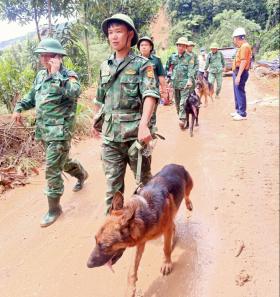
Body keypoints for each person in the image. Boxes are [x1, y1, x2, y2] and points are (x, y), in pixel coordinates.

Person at [12, 38, 88, 227]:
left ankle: (54, 208)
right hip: (44, 131)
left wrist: (56, 75)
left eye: (49, 55)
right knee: (61, 163)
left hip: (60, 131)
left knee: (52, 169)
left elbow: (74, 92)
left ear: (58, 57)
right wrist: (19, 107)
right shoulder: (40, 76)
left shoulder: (68, 76)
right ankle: (81, 173)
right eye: (42, 55)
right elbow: (33, 96)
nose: (44, 58)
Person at [91, 14, 160, 214]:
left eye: (118, 31)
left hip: (135, 137)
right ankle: (113, 229)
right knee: (113, 188)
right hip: (111, 137)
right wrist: (95, 122)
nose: (113, 36)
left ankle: (155, 220)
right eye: (110, 32)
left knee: (146, 183)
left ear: (130, 34)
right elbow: (99, 98)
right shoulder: (105, 66)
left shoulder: (142, 64)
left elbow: (150, 95)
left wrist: (144, 125)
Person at [167, 37, 192, 129]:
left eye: (183, 46)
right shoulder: (172, 57)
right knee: (177, 103)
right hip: (175, 84)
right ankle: (183, 117)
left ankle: (182, 119)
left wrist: (189, 80)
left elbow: (190, 70)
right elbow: (168, 68)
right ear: (177, 46)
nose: (181, 48)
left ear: (186, 47)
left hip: (185, 84)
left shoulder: (189, 57)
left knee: (183, 102)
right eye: (179, 46)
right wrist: (168, 79)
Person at [137, 36, 168, 104]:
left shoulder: (156, 60)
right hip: (137, 94)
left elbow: (161, 77)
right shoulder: (135, 60)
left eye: (146, 45)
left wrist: (164, 92)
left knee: (151, 114)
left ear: (150, 47)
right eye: (142, 45)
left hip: (152, 92)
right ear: (139, 47)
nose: (144, 47)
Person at [231, 28, 252, 121]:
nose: (234, 41)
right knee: (236, 92)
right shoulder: (242, 47)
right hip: (237, 71)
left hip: (241, 72)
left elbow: (243, 61)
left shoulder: (244, 47)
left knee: (240, 92)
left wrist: (239, 76)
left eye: (234, 39)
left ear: (237, 38)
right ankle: (238, 110)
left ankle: (242, 113)